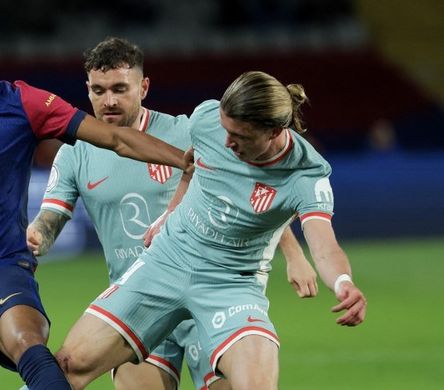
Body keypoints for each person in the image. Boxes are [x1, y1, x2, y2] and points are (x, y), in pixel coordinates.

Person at [0, 13, 191, 390]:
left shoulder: (25, 103)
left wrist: (183, 160)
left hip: (0, 270)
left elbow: (116, 139)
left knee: (27, 341)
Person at [27, 38, 318, 390]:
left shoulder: (184, 133)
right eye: (99, 90)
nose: (109, 101)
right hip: (143, 300)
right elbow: (52, 217)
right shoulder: (75, 154)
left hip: (210, 301)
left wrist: (293, 253)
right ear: (86, 90)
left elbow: (251, 195)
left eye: (120, 89)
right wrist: (38, 237)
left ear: (143, 87)